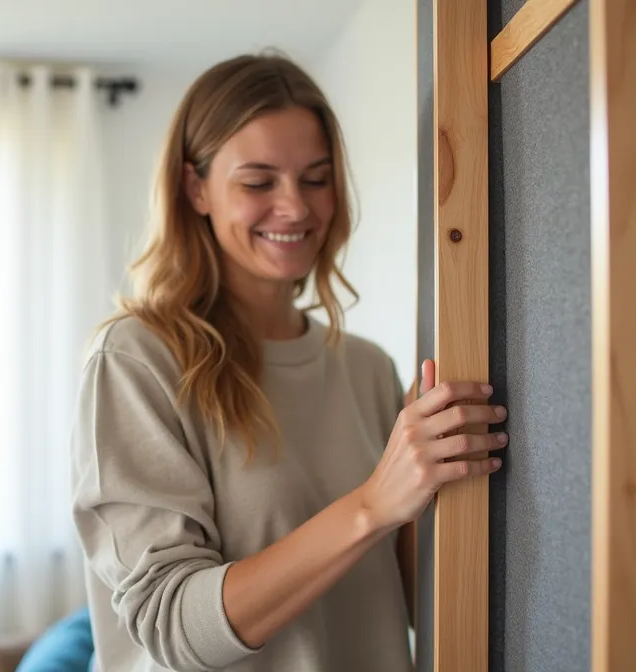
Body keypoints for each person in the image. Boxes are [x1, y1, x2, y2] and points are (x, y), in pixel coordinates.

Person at [69, 52, 509, 672]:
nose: (296, 208)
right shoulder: (136, 359)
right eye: (258, 182)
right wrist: (372, 505)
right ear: (196, 189)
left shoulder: (368, 369)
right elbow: (170, 626)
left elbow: (410, 599)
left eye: (316, 177)